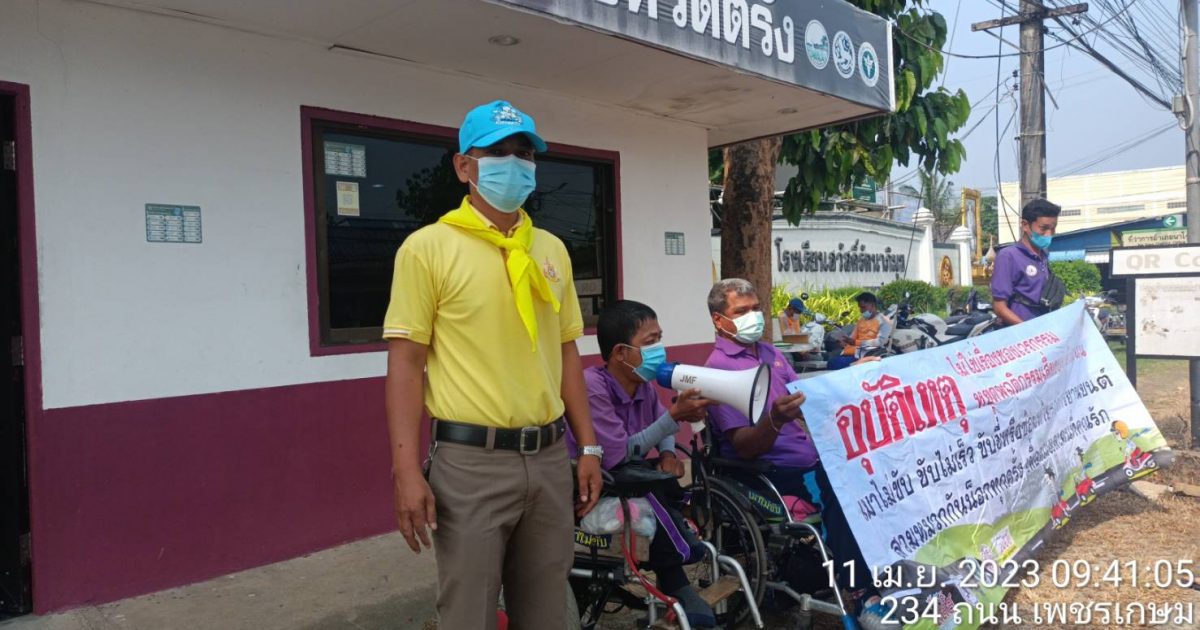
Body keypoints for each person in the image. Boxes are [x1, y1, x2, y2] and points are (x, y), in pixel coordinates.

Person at [382, 100, 603, 630]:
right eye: (498, 153)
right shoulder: (428, 249)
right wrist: (406, 471)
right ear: (464, 166)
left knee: (548, 612)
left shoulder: (551, 249)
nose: (515, 164)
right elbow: (406, 364)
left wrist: (589, 446)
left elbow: (565, 350)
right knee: (468, 614)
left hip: (549, 459)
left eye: (525, 153)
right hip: (470, 465)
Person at [702, 278, 885, 629]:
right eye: (741, 311)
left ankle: (882, 572)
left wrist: (850, 376)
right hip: (767, 471)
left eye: (756, 309)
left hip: (807, 459)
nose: (753, 317)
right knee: (845, 492)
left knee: (873, 473)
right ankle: (862, 593)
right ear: (718, 320)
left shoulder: (769, 353)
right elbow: (743, 446)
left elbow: (803, 395)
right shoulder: (717, 371)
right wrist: (774, 420)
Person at [564, 300, 717, 626]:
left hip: (626, 475)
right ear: (621, 353)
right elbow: (619, 453)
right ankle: (679, 573)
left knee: (665, 485)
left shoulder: (642, 386)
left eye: (659, 339)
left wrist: (667, 454)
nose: (659, 349)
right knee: (649, 491)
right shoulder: (592, 387)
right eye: (650, 342)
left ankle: (677, 568)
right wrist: (675, 417)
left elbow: (660, 424)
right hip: (593, 483)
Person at [991, 198, 1063, 326]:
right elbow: (999, 307)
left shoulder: (1043, 255)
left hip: (1044, 329)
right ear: (1025, 225)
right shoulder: (1008, 256)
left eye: (1053, 229)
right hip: (1020, 333)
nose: (1049, 234)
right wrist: (1027, 329)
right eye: (1044, 228)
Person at [827, 291, 891, 370]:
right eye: (860, 307)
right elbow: (852, 338)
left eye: (863, 307)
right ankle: (854, 364)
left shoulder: (883, 321)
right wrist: (844, 341)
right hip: (853, 352)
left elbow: (880, 342)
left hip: (867, 353)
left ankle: (856, 364)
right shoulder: (861, 321)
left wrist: (856, 342)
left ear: (872, 305)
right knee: (830, 360)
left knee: (833, 363)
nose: (861, 310)